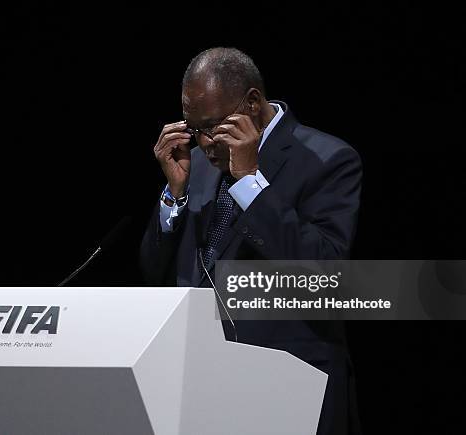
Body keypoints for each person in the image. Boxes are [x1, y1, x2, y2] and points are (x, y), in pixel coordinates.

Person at [140, 47, 363, 435]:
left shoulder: (328, 159)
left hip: (291, 385)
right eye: (194, 130)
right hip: (200, 385)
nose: (205, 142)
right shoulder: (197, 168)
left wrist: (249, 182)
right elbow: (153, 273)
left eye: (214, 127)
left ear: (253, 103)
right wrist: (173, 198)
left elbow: (325, 274)